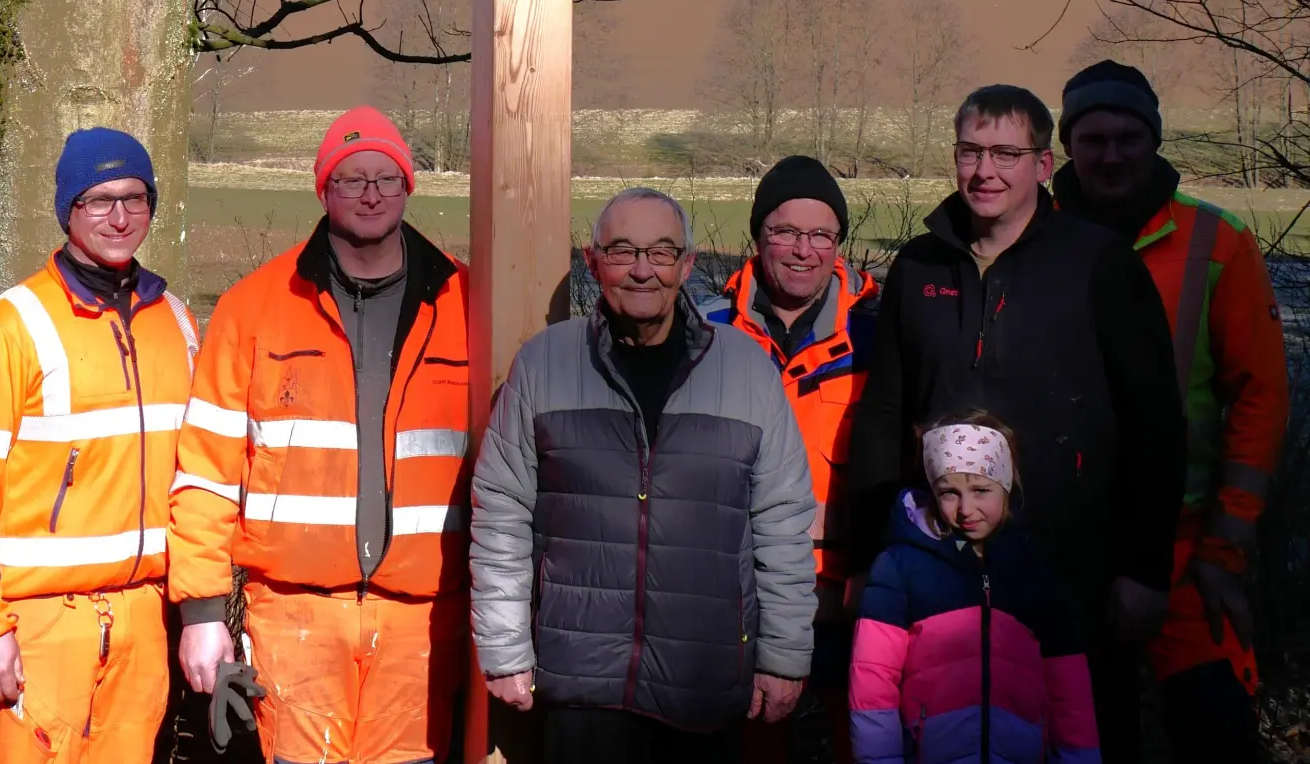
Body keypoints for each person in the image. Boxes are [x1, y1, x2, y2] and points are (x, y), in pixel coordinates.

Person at [845, 84, 1188, 763]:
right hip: (938, 569)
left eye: (1006, 152)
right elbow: (886, 412)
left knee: (1082, 737)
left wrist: (1146, 568)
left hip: (1071, 567)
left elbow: (1154, 423)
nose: (985, 171)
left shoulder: (1099, 265)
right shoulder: (918, 266)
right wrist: (867, 554)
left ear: (1042, 163)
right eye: (970, 151)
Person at [470, 187, 819, 764]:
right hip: (582, 691)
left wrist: (783, 657)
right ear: (592, 261)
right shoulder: (545, 362)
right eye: (621, 250)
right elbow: (503, 513)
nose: (641, 270)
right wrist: (505, 649)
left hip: (703, 685)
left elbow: (782, 524)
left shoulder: (747, 370)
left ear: (688, 264)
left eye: (661, 252)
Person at [169, 106, 472, 764]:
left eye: (386, 178)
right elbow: (204, 473)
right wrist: (201, 613)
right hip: (295, 617)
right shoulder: (253, 307)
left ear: (408, 188)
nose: (370, 194)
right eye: (350, 179)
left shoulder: (466, 303)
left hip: (421, 618)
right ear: (323, 190)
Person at [1054, 60, 1289, 763]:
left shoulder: (1220, 243)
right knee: (1088, 737)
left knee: (1217, 732)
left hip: (1191, 552)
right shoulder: (1034, 237)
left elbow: (1261, 397)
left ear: (1155, 140)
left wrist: (1225, 548)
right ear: (1067, 146)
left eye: (1130, 137)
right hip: (1068, 545)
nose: (1112, 155)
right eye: (1093, 138)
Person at [0, 127, 200, 764]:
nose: (119, 217)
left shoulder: (177, 322)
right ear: (68, 210)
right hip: (38, 621)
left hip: (145, 615)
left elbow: (200, 477)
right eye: (98, 200)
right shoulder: (8, 328)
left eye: (135, 198)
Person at [701, 155, 877, 764]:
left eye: (821, 235)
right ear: (758, 237)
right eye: (785, 232)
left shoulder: (880, 337)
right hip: (733, 595)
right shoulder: (705, 333)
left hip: (848, 596)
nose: (803, 250)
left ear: (838, 246)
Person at [849, 410, 1100, 764]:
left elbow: (1069, 690)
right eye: (949, 492)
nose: (966, 509)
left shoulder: (1035, 571)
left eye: (981, 490)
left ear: (1007, 485)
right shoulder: (899, 567)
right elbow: (873, 683)